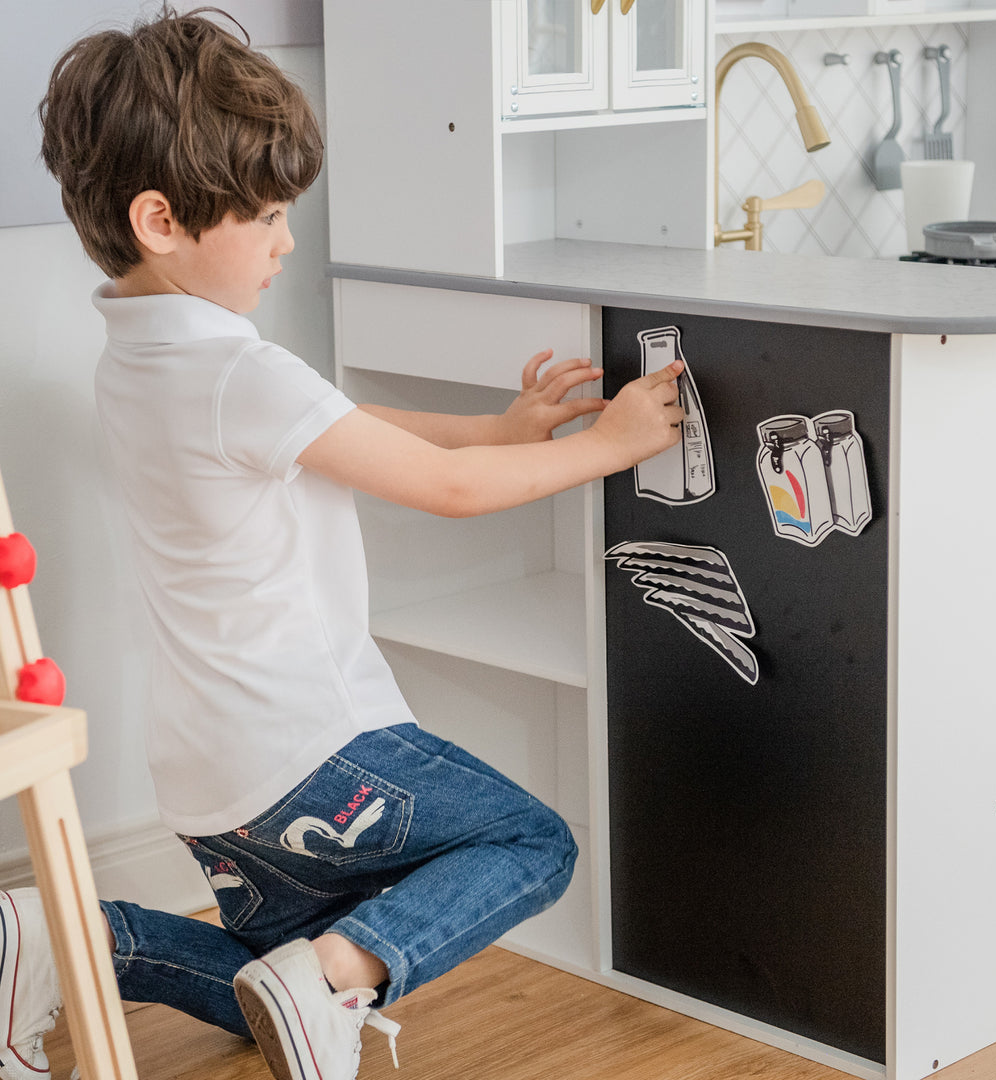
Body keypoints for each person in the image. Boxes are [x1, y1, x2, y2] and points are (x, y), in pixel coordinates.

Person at [2, 8, 684, 1080]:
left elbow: (340, 435)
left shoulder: (138, 357)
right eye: (267, 217)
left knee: (256, 977)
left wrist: (497, 429)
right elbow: (448, 489)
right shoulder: (236, 370)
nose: (283, 242)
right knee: (530, 844)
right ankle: (326, 979)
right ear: (160, 221)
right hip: (309, 746)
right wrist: (612, 444)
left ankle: (66, 937)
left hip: (208, 778)